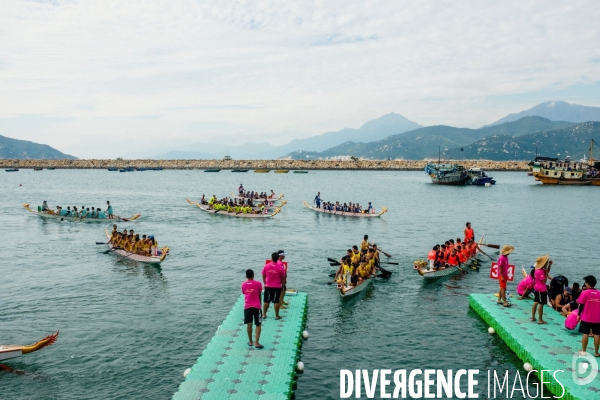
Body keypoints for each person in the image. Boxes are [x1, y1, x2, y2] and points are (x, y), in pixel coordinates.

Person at [577, 275, 600, 357]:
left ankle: (584, 351)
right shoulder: (599, 293)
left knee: (585, 333)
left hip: (586, 317)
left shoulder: (584, 293)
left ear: (587, 283)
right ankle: (596, 352)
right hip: (597, 318)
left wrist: (578, 315)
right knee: (597, 334)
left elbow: (581, 305)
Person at [242, 269, 263, 349]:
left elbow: (244, 293)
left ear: (246, 276)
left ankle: (250, 341)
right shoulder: (258, 284)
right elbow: (259, 294)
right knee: (258, 324)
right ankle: (257, 342)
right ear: (253, 275)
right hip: (256, 306)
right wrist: (260, 304)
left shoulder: (244, 284)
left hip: (247, 306)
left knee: (249, 324)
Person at [262, 252, 285, 320]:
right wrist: (283, 286)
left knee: (266, 301)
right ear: (278, 258)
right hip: (277, 286)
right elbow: (283, 278)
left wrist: (265, 283)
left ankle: (264, 314)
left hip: (268, 286)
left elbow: (263, 275)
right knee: (276, 301)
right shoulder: (280, 267)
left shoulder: (266, 266)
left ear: (271, 258)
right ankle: (277, 316)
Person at [531, 255, 552, 324]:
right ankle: (540, 319)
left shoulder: (537, 270)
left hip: (537, 287)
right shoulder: (541, 271)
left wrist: (549, 266)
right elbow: (544, 281)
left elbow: (546, 271)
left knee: (536, 302)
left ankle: (533, 317)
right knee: (541, 303)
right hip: (541, 289)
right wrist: (546, 273)